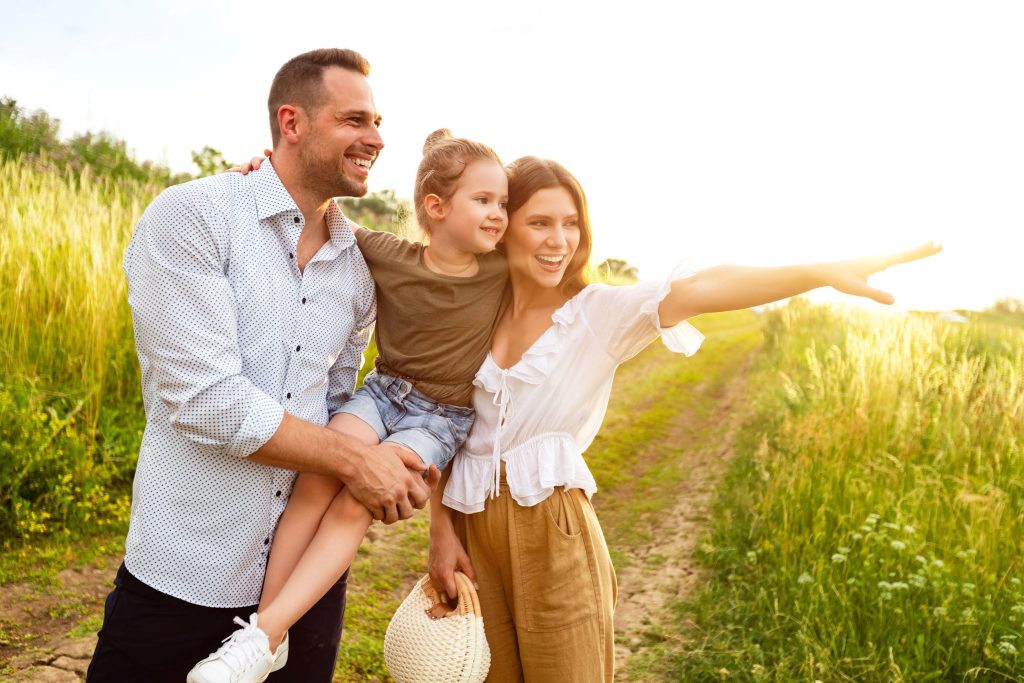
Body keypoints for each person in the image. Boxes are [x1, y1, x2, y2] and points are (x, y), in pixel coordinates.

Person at [427, 156, 942, 682]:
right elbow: (447, 427)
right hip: (474, 531)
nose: (559, 240)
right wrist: (440, 534)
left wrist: (815, 273)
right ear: (504, 225)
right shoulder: (475, 311)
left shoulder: (596, 312)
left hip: (554, 533)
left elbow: (701, 288)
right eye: (540, 222)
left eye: (570, 223)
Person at [86, 48, 440, 683]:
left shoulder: (357, 266)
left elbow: (338, 399)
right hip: (184, 570)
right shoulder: (193, 216)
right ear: (292, 122)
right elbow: (207, 402)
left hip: (298, 589)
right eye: (355, 120)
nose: (377, 138)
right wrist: (360, 464)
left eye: (379, 121)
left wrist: (392, 458)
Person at [189, 130, 509, 683]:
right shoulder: (389, 254)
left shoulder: (504, 272)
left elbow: (553, 253)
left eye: (503, 202)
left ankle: (266, 633)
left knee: (353, 504)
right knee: (316, 481)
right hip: (383, 393)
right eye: (484, 200)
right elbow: (327, 212)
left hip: (439, 418)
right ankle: (265, 635)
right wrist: (269, 172)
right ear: (436, 207)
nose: (498, 213)